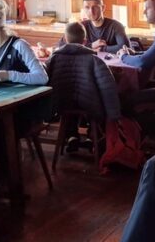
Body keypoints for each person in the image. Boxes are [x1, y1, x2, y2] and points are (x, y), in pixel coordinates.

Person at [48, 22, 121, 152]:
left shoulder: (53, 59)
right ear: (85, 41)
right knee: (95, 102)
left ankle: (71, 137)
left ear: (65, 39)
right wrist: (113, 115)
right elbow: (108, 89)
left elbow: (44, 80)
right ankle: (92, 137)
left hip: (60, 104)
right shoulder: (95, 60)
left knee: (68, 98)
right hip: (89, 104)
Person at [57, 0, 130, 53]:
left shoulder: (116, 26)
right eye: (87, 8)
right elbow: (61, 46)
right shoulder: (80, 26)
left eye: (95, 7)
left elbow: (126, 47)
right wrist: (91, 46)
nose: (91, 11)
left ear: (103, 8)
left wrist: (103, 48)